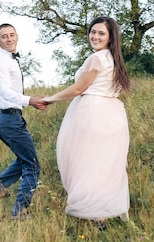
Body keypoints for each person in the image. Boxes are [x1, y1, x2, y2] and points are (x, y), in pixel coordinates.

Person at [42, 16, 131, 230]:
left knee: (86, 162)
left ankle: (94, 213)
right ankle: (102, 210)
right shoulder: (113, 58)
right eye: (93, 32)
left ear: (110, 38)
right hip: (112, 115)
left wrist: (50, 99)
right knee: (103, 164)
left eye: (101, 33)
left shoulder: (97, 58)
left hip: (93, 113)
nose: (95, 36)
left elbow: (78, 89)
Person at [0, 23, 47, 220]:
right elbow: (5, 92)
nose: (9, 39)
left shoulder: (10, 60)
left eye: (12, 35)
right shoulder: (2, 61)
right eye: (4, 36)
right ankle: (19, 211)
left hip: (8, 118)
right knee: (32, 165)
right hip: (8, 118)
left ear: (17, 36)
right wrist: (31, 101)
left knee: (24, 159)